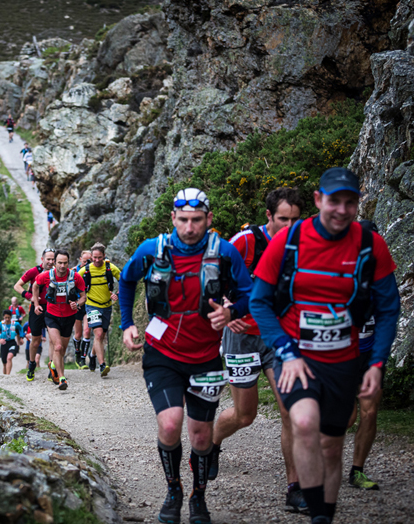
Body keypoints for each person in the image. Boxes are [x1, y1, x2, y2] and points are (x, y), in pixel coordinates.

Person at [249, 167, 400, 524]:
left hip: (344, 360)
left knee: (332, 446)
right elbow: (259, 301)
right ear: (318, 200)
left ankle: (324, 515)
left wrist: (376, 364)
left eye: (350, 202)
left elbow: (389, 308)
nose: (342, 210)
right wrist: (286, 352)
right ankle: (315, 512)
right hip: (296, 356)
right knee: (303, 423)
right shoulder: (289, 240)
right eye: (334, 201)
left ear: (357, 204)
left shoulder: (369, 244)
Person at [119, 188, 254, 524]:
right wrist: (126, 325)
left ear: (208, 219)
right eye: (183, 220)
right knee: (169, 423)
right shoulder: (153, 249)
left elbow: (251, 292)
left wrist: (232, 310)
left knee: (201, 436)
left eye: (197, 220)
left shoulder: (223, 252)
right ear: (173, 219)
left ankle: (198, 496)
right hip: (162, 352)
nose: (190, 227)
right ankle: (173, 489)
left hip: (206, 355)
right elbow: (126, 280)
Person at [207, 187, 307, 512]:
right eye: (283, 219)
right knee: (245, 415)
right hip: (242, 336)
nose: (289, 226)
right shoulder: (245, 242)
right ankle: (212, 442)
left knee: (290, 410)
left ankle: (295, 487)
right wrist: (225, 306)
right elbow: (212, 277)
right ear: (269, 216)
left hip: (278, 335)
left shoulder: (302, 245)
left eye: (295, 219)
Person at [347, 234, 382, 490]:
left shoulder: (381, 278)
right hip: (342, 358)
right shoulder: (339, 272)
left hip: (369, 357)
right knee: (346, 418)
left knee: (369, 414)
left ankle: (357, 471)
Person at [34, 250, 86, 391]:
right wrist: (36, 304)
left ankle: (53, 366)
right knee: (57, 347)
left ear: (69, 263)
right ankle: (62, 378)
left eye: (65, 263)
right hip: (51, 316)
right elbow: (35, 285)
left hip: (69, 317)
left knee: (61, 350)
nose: (62, 266)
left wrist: (78, 304)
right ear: (55, 263)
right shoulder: (47, 276)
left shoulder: (75, 277)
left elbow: (83, 296)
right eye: (59, 263)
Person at [14, 249, 55, 382]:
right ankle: (31, 365)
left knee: (53, 339)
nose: (50, 262)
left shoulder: (57, 272)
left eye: (52, 259)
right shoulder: (34, 271)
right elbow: (18, 285)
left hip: (52, 308)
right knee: (35, 340)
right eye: (48, 259)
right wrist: (29, 296)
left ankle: (52, 368)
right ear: (42, 259)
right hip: (36, 308)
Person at [82, 242, 121, 378]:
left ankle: (92, 355)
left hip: (106, 306)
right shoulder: (85, 270)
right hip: (91, 305)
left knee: (101, 336)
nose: (97, 260)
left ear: (104, 256)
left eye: (100, 257)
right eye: (94, 257)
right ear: (91, 257)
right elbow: (73, 281)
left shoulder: (110, 268)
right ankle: (102, 365)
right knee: (98, 334)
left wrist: (118, 293)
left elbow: (123, 280)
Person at [71, 250, 92, 369]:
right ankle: (77, 353)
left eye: (89, 261)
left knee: (87, 331)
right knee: (78, 334)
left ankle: (83, 359)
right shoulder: (74, 271)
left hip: (89, 303)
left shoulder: (93, 270)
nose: (86, 264)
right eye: (84, 261)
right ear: (80, 259)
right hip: (78, 304)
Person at [0, 310, 25, 375]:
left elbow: (21, 329)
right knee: (4, 363)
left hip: (12, 343)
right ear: (3, 317)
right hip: (4, 344)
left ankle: (8, 376)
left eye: (8, 317)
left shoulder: (15, 324)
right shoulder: (0, 325)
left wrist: (21, 337)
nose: (7, 319)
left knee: (9, 357)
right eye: (6, 317)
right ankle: (5, 377)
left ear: (11, 317)